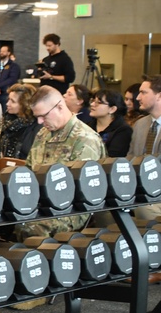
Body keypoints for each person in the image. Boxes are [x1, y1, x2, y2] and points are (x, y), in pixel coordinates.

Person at [18, 86, 105, 240]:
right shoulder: (43, 133)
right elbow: (29, 172)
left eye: (43, 116)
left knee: (32, 228)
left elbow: (82, 193)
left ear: (59, 107)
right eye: (37, 117)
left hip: (71, 208)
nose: (39, 121)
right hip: (41, 202)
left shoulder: (84, 139)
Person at [130, 76, 161, 221]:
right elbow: (130, 158)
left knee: (143, 208)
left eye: (143, 92)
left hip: (157, 191)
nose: (137, 97)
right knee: (104, 208)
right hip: (138, 188)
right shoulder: (140, 124)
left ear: (159, 96)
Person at [0, 83, 40, 160]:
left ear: (25, 105)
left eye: (13, 101)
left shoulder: (36, 126)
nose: (7, 104)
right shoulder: (6, 119)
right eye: (8, 99)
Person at [90, 89, 133, 158]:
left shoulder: (123, 130)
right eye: (93, 101)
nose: (92, 104)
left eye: (98, 102)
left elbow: (113, 158)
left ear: (112, 109)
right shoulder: (87, 126)